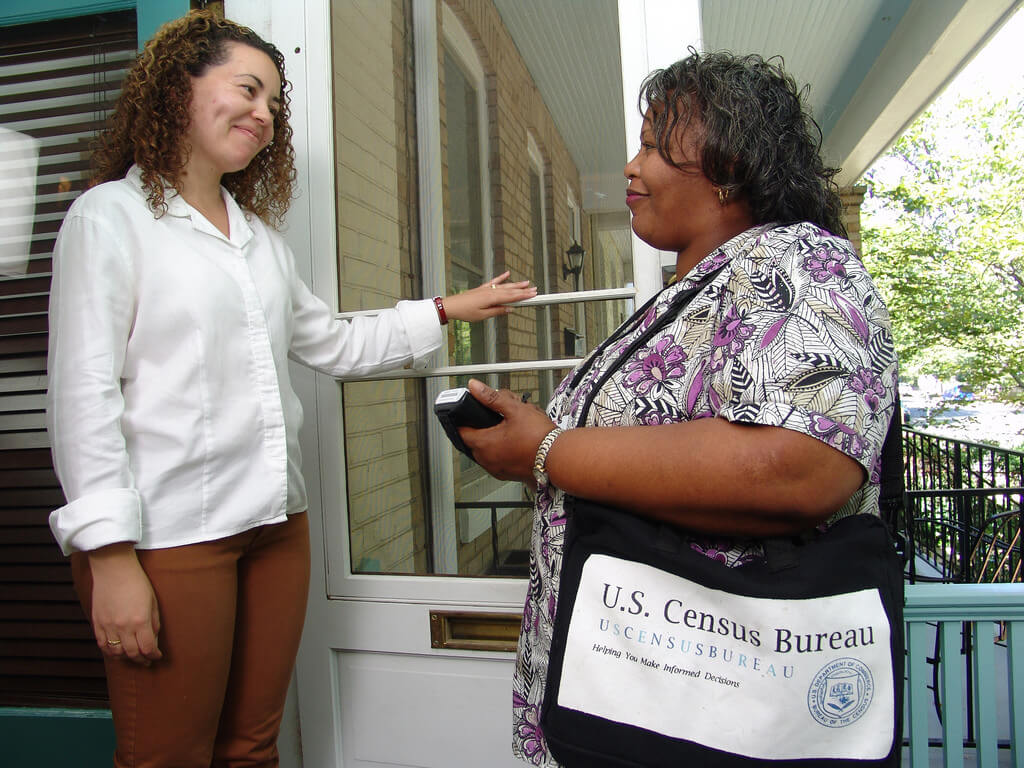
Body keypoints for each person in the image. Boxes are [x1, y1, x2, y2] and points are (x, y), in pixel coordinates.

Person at [45, 10, 535, 767]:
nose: (264, 115)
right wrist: (109, 556)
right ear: (178, 87)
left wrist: (446, 310)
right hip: (171, 536)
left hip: (278, 525)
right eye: (248, 89)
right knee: (168, 756)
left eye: (275, 103)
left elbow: (332, 343)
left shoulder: (259, 243)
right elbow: (82, 397)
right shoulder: (108, 219)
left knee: (253, 748)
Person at [460, 50, 897, 767]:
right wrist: (538, 446)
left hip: (717, 704)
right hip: (641, 697)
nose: (631, 168)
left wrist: (549, 451)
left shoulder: (793, 262)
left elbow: (800, 467)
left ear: (734, 160)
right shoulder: (700, 290)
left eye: (655, 143)